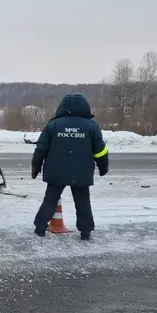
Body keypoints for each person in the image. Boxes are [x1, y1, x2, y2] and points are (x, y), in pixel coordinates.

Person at [31, 93, 109, 240]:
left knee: (50, 199)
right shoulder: (91, 127)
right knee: (83, 202)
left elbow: (41, 149)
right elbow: (100, 151)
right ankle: (85, 231)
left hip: (56, 171)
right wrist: (103, 167)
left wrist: (36, 167)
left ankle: (40, 227)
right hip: (81, 172)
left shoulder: (53, 125)